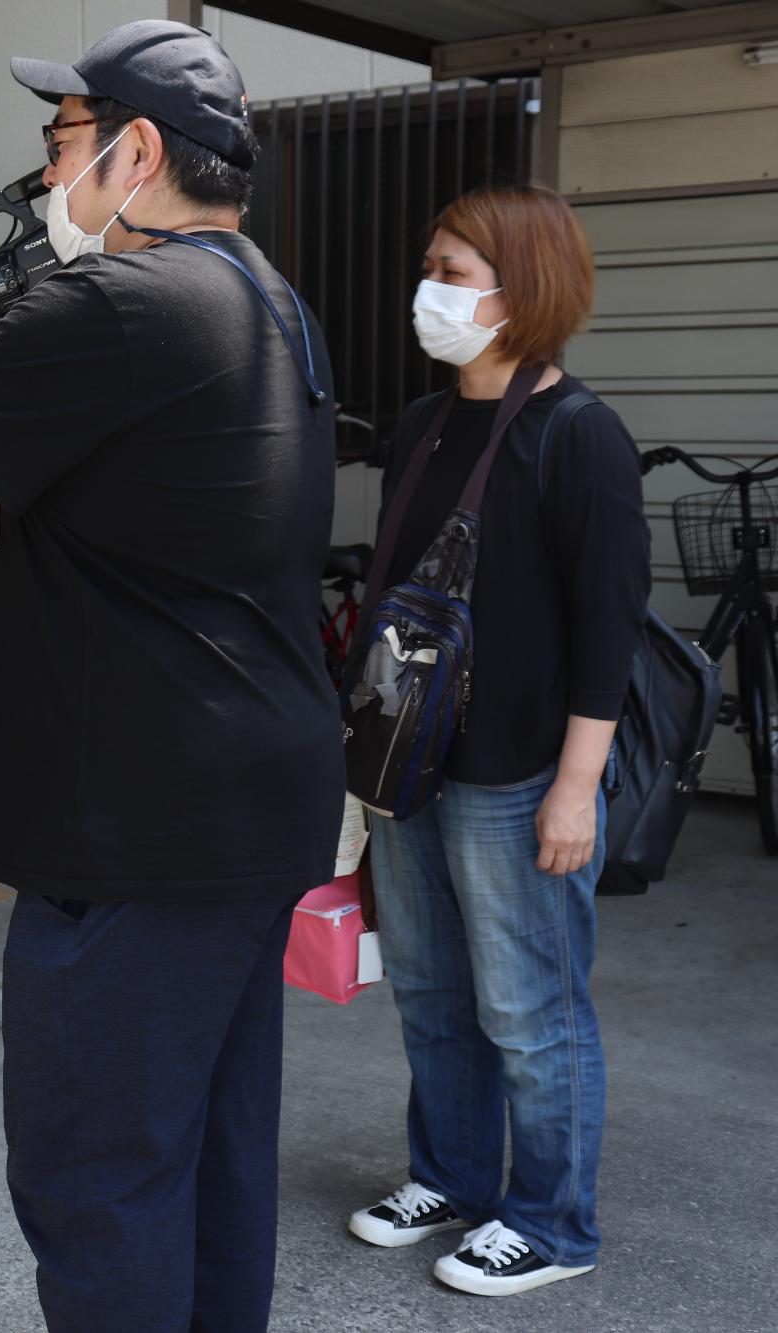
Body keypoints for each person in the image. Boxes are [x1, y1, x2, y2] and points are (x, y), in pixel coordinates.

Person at [0, 20, 341, 1332]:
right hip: (245, 807)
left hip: (139, 831)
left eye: (62, 142)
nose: (47, 177)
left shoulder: (125, 304)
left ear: (136, 152)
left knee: (98, 1179)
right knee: (208, 1158)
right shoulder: (268, 297)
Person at [345, 185, 648, 1298]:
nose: (428, 289)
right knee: (428, 992)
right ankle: (452, 1177)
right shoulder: (423, 429)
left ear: (523, 289)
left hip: (517, 775)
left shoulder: (578, 436)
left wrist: (576, 788)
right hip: (409, 766)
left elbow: (605, 631)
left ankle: (552, 1223)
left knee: (530, 1008)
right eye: (428, 265)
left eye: (453, 272)